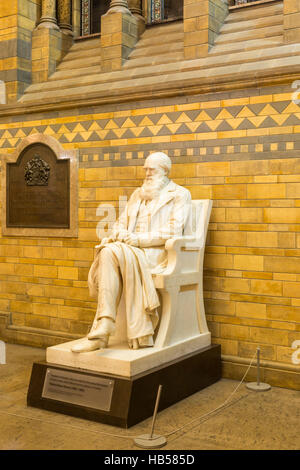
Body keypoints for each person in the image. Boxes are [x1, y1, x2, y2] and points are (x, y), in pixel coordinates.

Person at [72, 152, 192, 353]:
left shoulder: (180, 194)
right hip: (128, 250)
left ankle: (102, 327)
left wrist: (139, 239)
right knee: (109, 249)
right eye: (145, 169)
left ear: (164, 170)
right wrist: (120, 233)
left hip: (156, 253)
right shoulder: (138, 194)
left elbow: (173, 230)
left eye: (151, 169)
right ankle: (105, 323)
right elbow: (120, 223)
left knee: (109, 252)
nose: (146, 173)